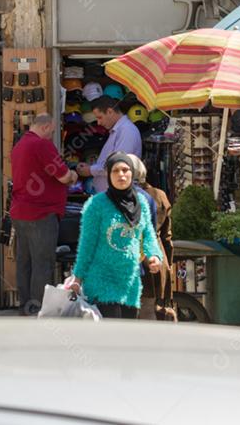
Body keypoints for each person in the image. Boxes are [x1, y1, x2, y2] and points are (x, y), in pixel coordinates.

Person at [69, 152, 163, 318]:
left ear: (132, 174)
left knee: (126, 337)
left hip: (130, 282)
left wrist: (154, 256)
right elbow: (87, 245)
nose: (121, 174)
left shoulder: (141, 203)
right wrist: (78, 278)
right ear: (109, 175)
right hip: (101, 279)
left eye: (125, 170)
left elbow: (148, 235)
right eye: (116, 171)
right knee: (110, 335)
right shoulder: (96, 205)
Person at [10, 114, 78, 315]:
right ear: (47, 127)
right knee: (42, 262)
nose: (52, 135)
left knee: (25, 261)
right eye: (53, 130)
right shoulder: (42, 145)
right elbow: (64, 176)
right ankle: (38, 307)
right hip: (41, 212)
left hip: (21, 211)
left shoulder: (20, 145)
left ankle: (26, 304)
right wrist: (74, 175)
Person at [132, 157, 174, 320]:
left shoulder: (126, 197)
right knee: (149, 311)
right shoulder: (160, 195)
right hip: (157, 258)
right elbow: (167, 236)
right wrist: (168, 264)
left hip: (139, 260)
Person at [76, 96, 142, 193]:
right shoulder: (118, 130)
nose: (98, 123)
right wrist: (91, 167)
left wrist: (90, 170)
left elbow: (117, 165)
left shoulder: (126, 131)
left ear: (110, 111)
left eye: (100, 117)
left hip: (117, 197)